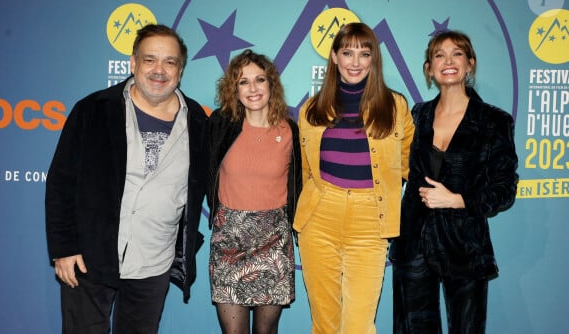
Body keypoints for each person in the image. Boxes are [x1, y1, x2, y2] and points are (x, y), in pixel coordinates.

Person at [45, 24, 208, 334]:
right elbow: (61, 182)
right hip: (90, 257)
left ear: (181, 70)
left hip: (154, 262)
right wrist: (63, 247)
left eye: (170, 62)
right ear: (133, 64)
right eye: (150, 60)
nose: (159, 70)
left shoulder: (199, 122)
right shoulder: (93, 110)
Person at [389, 30, 519, 333]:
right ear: (428, 69)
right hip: (413, 245)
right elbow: (394, 167)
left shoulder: (493, 121)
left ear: (470, 64)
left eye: (457, 53)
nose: (448, 61)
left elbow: (504, 188)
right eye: (439, 55)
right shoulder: (417, 115)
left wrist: (457, 199)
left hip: (464, 245)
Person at [294, 22, 415, 333]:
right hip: (319, 218)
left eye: (364, 53)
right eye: (347, 52)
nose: (356, 62)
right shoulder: (310, 110)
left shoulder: (396, 105)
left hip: (370, 221)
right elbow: (306, 171)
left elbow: (408, 162)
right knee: (325, 324)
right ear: (334, 57)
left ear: (374, 58)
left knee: (359, 325)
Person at [206, 49, 302, 334]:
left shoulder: (289, 131)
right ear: (233, 89)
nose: (253, 88)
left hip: (273, 242)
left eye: (259, 80)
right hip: (228, 243)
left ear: (271, 84)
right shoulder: (219, 126)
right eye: (243, 81)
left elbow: (300, 184)